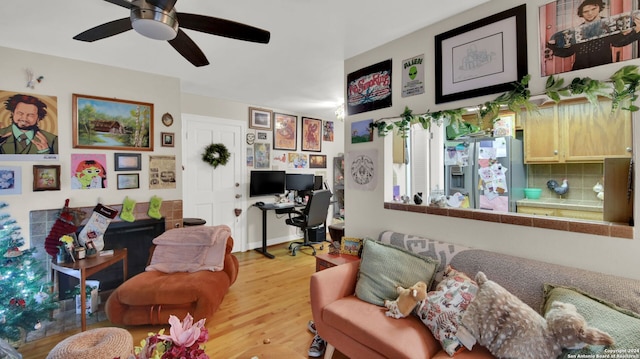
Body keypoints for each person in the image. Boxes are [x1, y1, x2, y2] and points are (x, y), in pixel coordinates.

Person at [546, 0, 640, 71]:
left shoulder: (609, 25)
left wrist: (636, 32)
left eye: (593, 9)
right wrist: (553, 48)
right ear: (581, 14)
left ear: (599, 8)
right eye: (586, 11)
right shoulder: (576, 31)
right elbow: (569, 52)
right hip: (580, 71)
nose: (590, 13)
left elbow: (618, 43)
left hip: (603, 69)